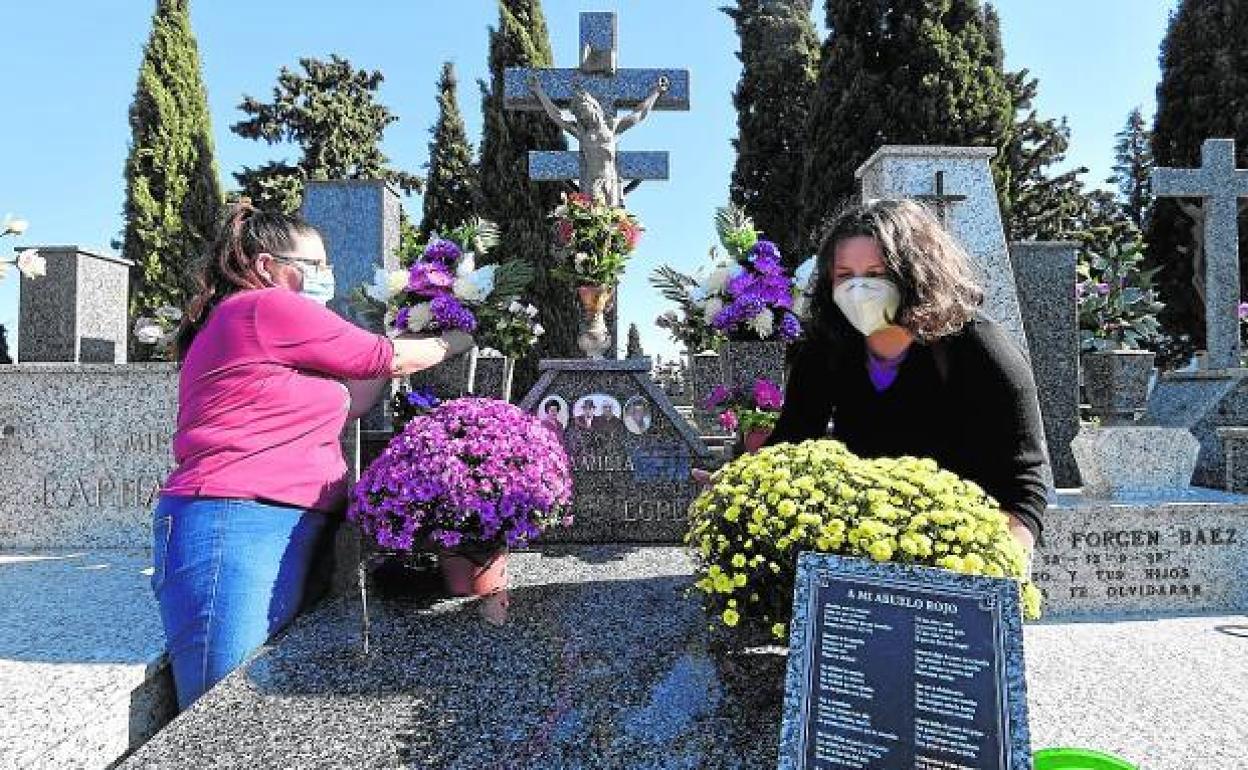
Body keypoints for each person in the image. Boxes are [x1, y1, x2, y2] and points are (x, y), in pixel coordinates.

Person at [152, 201, 473, 710]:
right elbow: (386, 359)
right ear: (266, 267)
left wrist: (423, 313)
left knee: (254, 709)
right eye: (317, 265)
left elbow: (358, 393)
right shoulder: (263, 307)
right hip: (234, 521)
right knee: (220, 710)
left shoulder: (271, 331)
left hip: (278, 522)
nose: (328, 276)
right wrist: (458, 335)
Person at [763, 199, 1048, 552]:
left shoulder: (978, 347)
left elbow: (1024, 487)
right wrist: (737, 486)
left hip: (955, 552)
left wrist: (1000, 566)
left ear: (914, 273)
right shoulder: (828, 347)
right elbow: (792, 442)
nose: (858, 290)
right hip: (861, 547)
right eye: (844, 276)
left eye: (876, 274)